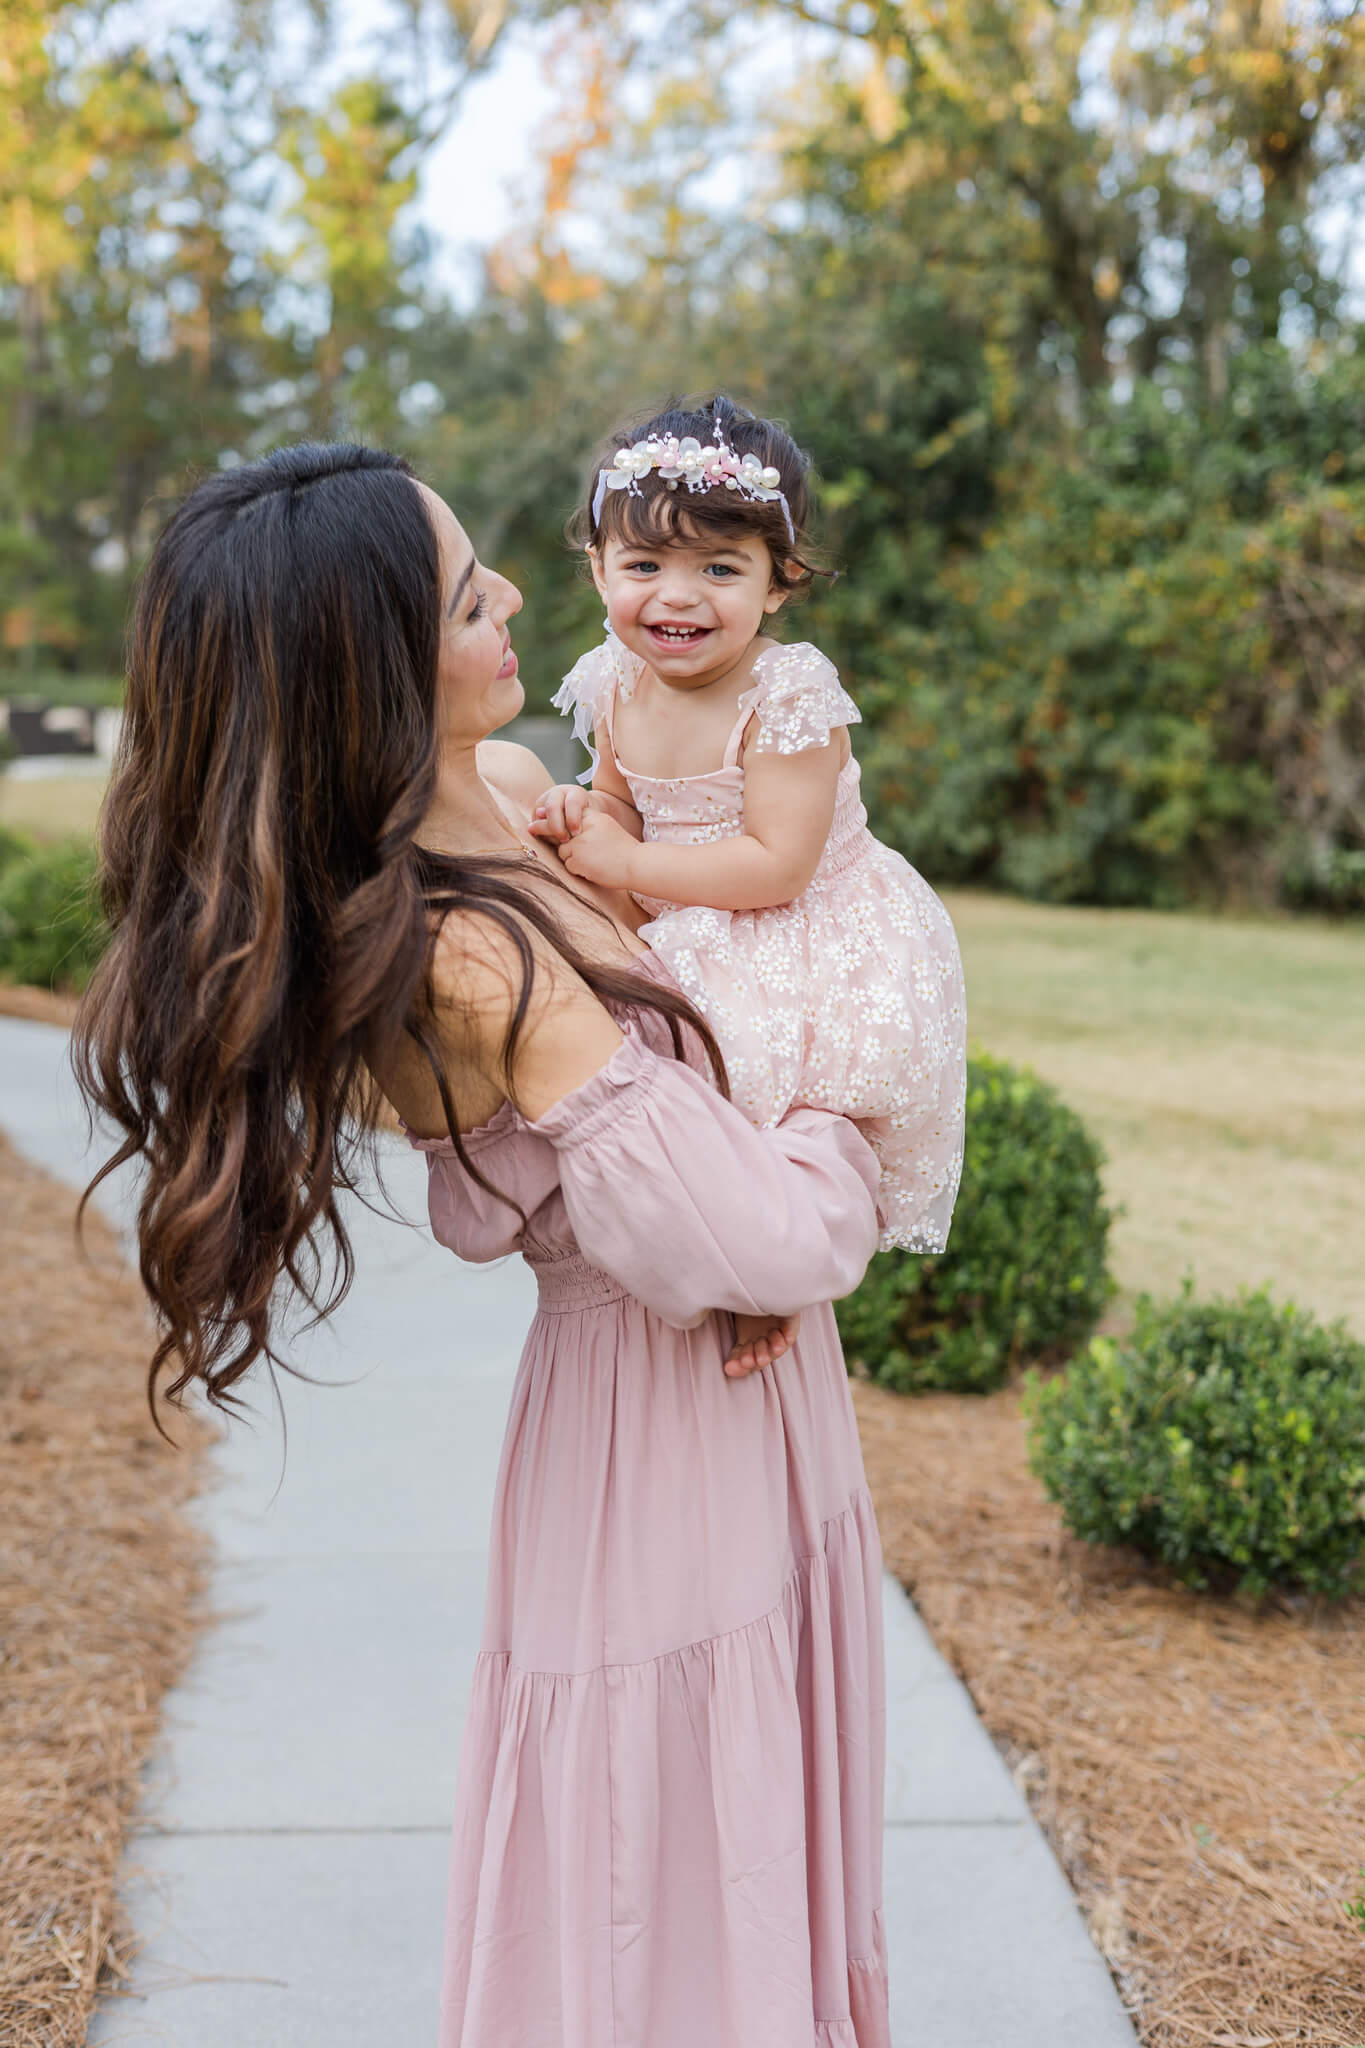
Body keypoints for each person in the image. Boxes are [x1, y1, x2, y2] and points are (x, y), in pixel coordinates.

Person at [72, 441, 958, 2047]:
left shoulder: (508, 806)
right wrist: (847, 1103)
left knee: (733, 1839)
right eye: (472, 594)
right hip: (659, 1444)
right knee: (679, 1872)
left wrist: (755, 1204)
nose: (520, 604)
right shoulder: (466, 953)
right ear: (370, 669)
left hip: (730, 1409)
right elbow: (752, 1239)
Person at [534, 395, 967, 1310]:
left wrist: (624, 867)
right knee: (653, 1107)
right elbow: (620, 795)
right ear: (598, 569)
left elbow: (776, 866)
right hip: (685, 914)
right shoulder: (614, 677)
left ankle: (771, 1278)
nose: (677, 595)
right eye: (643, 563)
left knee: (767, 1121)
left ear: (780, 581)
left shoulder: (788, 694)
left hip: (799, 937)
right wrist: (587, 810)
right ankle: (694, 1264)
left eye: (720, 568)